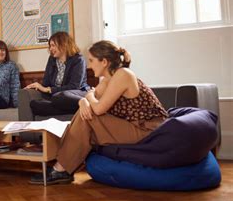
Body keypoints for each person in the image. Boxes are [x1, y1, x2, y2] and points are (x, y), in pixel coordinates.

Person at [29, 40, 169, 185]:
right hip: (132, 126)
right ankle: (61, 167)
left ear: (104, 62)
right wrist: (82, 101)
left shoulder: (123, 74)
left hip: (147, 130)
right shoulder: (108, 79)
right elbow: (90, 97)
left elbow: (97, 107)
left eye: (91, 60)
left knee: (88, 116)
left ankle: (61, 168)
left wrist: (88, 98)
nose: (89, 66)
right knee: (84, 112)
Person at [25, 31, 90, 117]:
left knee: (60, 96)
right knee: (34, 104)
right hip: (58, 99)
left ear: (64, 45)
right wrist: (39, 86)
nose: (50, 49)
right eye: (50, 46)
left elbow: (74, 86)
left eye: (53, 45)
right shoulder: (52, 60)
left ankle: (77, 104)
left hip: (76, 94)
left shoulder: (78, 60)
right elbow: (46, 83)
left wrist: (49, 90)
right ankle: (73, 110)